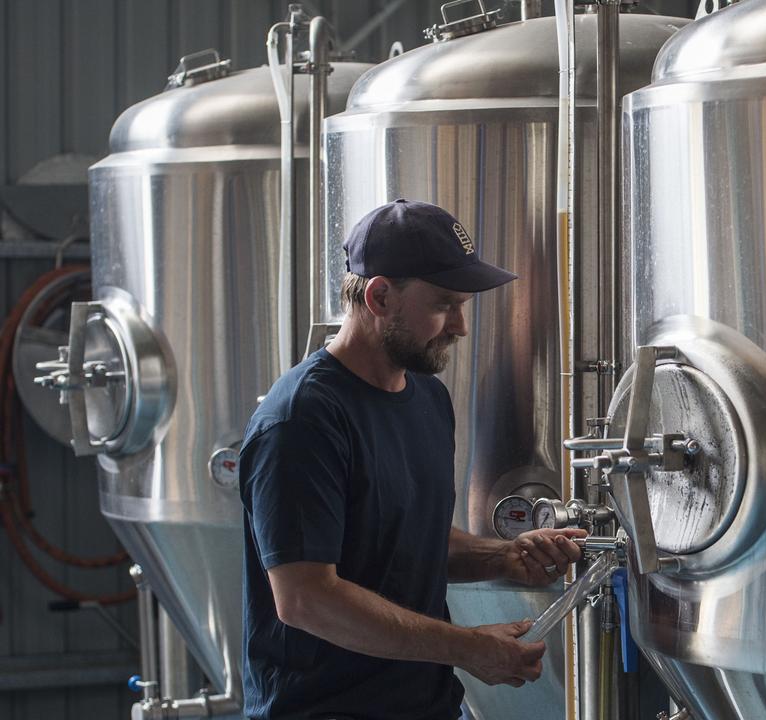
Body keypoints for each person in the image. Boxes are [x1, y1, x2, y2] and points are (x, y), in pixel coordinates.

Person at [239, 199, 585, 720]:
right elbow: (306, 598)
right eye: (445, 305)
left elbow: (404, 539)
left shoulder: (426, 398)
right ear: (379, 296)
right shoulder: (303, 419)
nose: (462, 327)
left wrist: (502, 557)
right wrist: (469, 648)